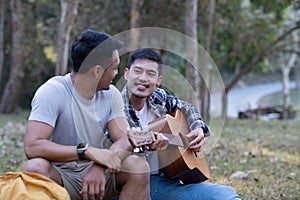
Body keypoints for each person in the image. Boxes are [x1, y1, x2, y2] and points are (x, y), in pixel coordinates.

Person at [23, 29, 151, 200]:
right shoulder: (52, 92)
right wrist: (85, 152)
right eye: (114, 68)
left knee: (138, 166)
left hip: (99, 176)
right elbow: (32, 146)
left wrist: (100, 165)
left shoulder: (111, 94)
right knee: (35, 168)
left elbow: (124, 139)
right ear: (97, 71)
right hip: (61, 175)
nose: (116, 74)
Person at [121, 48, 241, 200]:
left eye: (151, 74)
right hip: (134, 183)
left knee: (226, 195)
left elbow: (187, 107)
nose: (143, 78)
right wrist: (143, 144)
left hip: (164, 181)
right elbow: (114, 145)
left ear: (159, 80)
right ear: (126, 73)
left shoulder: (158, 97)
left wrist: (197, 127)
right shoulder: (115, 105)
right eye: (138, 71)